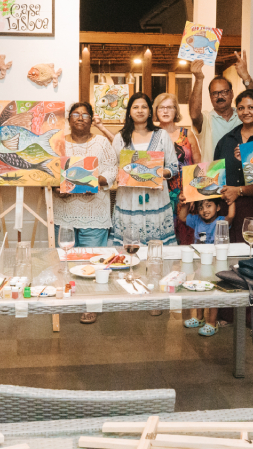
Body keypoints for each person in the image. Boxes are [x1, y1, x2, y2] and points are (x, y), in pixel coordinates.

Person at [214, 89, 253, 334]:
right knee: (230, 260)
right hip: (228, 206)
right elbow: (215, 174)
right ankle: (229, 313)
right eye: (241, 108)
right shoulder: (227, 139)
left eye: (252, 107)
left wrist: (240, 188)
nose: (246, 112)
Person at [54, 102, 118, 324]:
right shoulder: (58, 142)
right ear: (68, 119)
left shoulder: (101, 143)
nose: (80, 118)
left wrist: (95, 180)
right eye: (75, 114)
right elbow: (50, 171)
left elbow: (113, 169)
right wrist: (56, 186)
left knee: (93, 261)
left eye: (85, 114)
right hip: (64, 212)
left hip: (94, 213)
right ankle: (70, 299)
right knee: (67, 262)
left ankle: (91, 304)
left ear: (92, 119)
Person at [112, 93, 179, 246]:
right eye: (135, 107)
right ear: (129, 112)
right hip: (129, 200)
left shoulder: (161, 135)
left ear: (150, 111)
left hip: (156, 200)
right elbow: (113, 166)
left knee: (157, 249)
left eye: (144, 107)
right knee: (129, 249)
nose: (140, 110)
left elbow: (174, 166)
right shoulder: (120, 138)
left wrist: (160, 172)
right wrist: (117, 174)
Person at [178, 197, 234, 337]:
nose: (204, 210)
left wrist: (231, 200)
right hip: (199, 264)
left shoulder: (220, 221)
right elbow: (182, 217)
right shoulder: (197, 220)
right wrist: (186, 201)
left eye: (209, 206)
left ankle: (212, 322)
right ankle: (199, 318)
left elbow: (231, 216)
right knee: (198, 290)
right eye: (201, 207)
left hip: (215, 265)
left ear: (218, 207)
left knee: (213, 293)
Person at [188, 52, 253, 162]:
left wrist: (246, 77)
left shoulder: (243, 115)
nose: (220, 96)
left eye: (224, 92)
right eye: (215, 93)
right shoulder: (207, 119)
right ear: (210, 97)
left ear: (232, 94)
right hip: (215, 172)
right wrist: (199, 79)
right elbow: (194, 115)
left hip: (241, 170)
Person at [154, 92, 201, 245]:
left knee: (186, 240)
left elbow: (198, 166)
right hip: (160, 196)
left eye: (170, 107)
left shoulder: (187, 134)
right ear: (155, 111)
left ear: (176, 111)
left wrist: (194, 194)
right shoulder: (152, 135)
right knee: (163, 240)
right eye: (161, 107)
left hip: (185, 196)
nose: (165, 111)